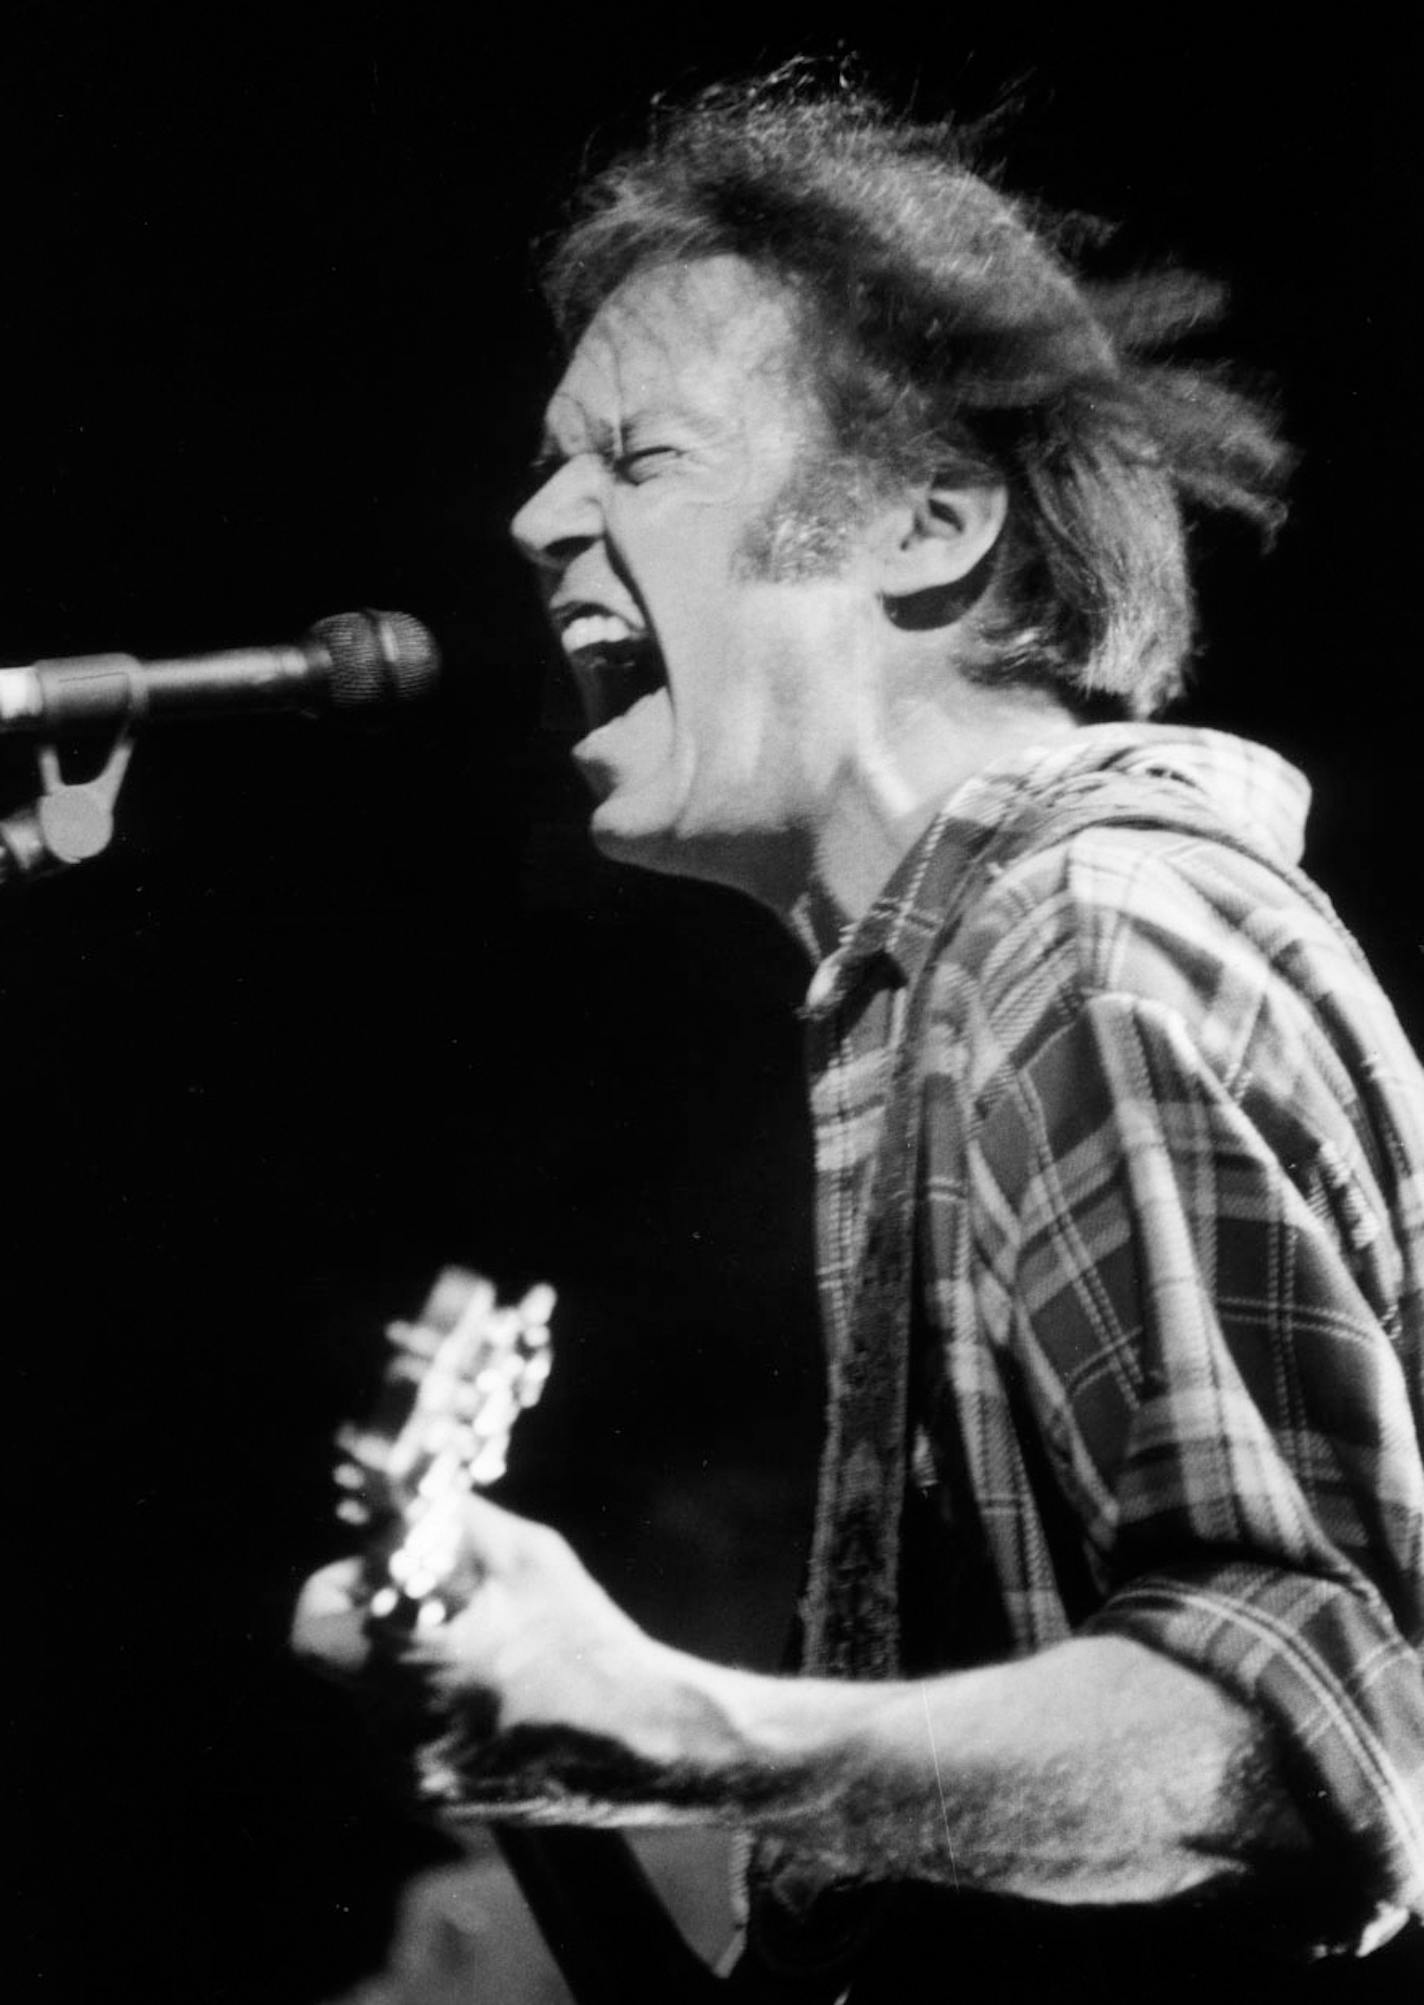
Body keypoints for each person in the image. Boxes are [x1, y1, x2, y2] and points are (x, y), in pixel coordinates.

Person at [295, 74, 1424, 2001]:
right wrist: (535, 1766)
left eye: (638, 459)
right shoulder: (960, 983)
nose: (534, 517)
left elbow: (1322, 1726)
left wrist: (670, 1723)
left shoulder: (1090, 930)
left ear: (930, 519)